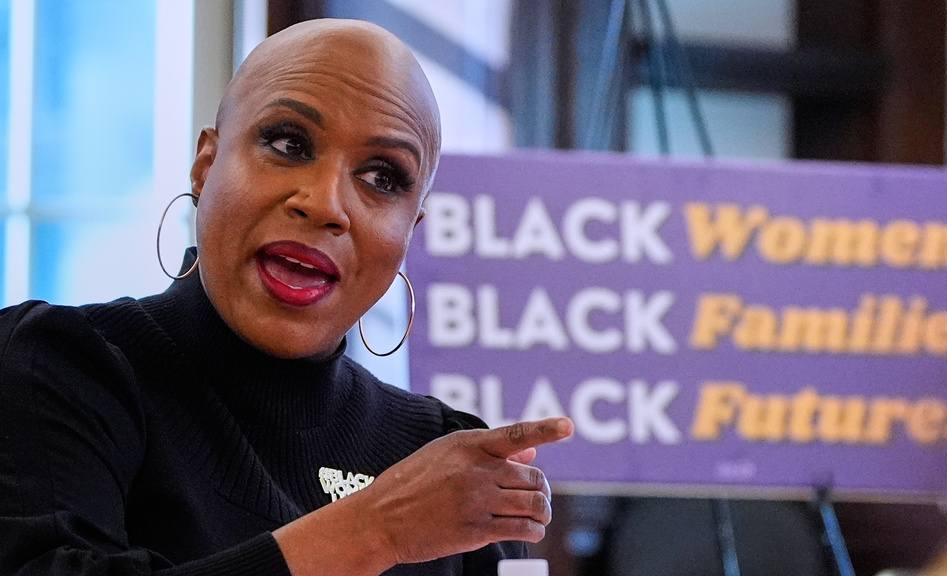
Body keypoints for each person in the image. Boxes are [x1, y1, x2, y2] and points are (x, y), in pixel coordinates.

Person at [0, 18, 573, 576]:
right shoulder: (62, 365)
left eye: (383, 178)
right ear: (205, 167)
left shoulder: (443, 455)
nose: (325, 204)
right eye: (288, 142)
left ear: (410, 232)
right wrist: (373, 533)